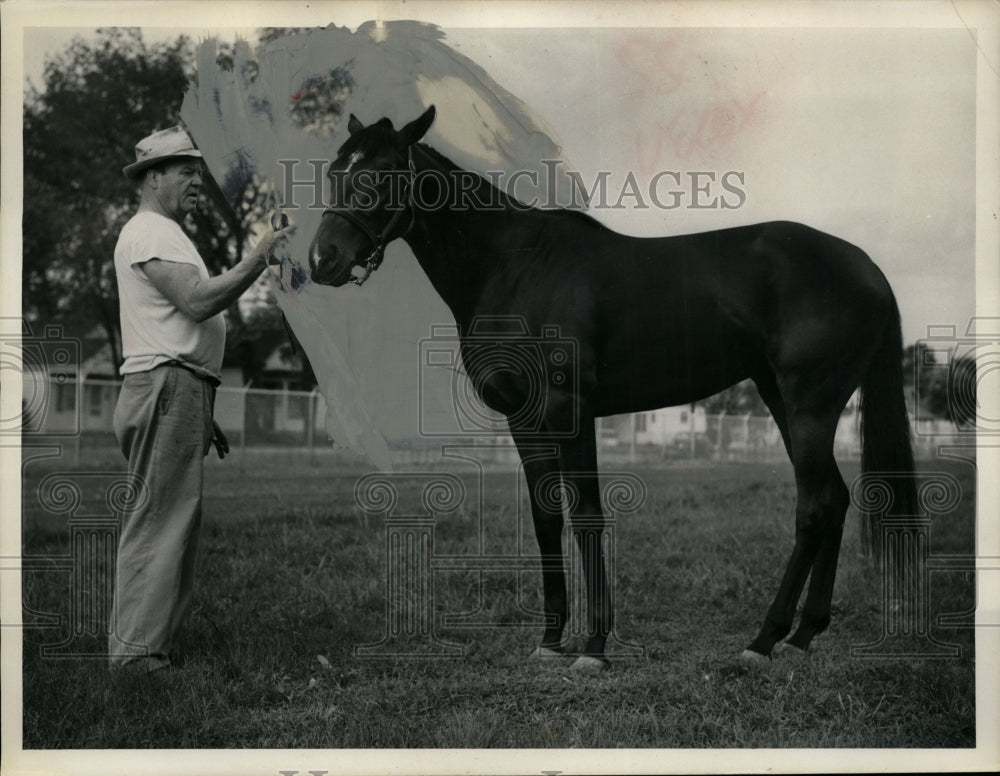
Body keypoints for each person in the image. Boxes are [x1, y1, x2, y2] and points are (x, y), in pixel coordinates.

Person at [110, 126, 292, 672]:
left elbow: (170, 326)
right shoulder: (151, 231)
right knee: (159, 522)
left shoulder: (161, 232)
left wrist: (200, 405)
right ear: (152, 177)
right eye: (186, 170)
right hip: (166, 386)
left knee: (171, 521)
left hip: (175, 387)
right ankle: (137, 659)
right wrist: (261, 256)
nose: (197, 180)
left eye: (199, 170)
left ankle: (150, 648)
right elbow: (194, 302)